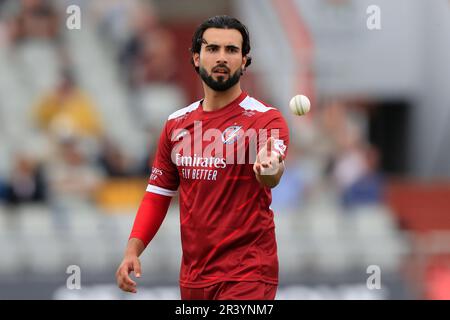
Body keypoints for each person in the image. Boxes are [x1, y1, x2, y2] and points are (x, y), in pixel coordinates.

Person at [115, 15, 290, 300]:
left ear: (244, 61)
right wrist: (132, 251)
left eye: (232, 50)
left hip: (247, 275)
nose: (222, 57)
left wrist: (269, 168)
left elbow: (271, 172)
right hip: (194, 279)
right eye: (213, 49)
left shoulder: (266, 120)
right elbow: (157, 195)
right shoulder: (176, 124)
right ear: (196, 58)